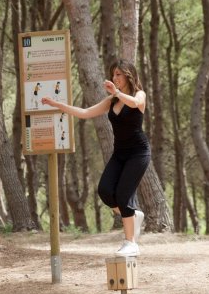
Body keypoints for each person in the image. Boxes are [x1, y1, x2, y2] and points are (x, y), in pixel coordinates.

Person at [42, 59, 150, 257]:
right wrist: (56, 104)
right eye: (113, 74)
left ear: (128, 75)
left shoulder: (139, 95)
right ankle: (133, 215)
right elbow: (85, 113)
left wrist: (117, 93)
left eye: (118, 74)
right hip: (119, 153)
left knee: (123, 196)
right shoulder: (111, 101)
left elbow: (135, 103)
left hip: (138, 153)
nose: (114, 78)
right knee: (105, 191)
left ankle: (130, 243)